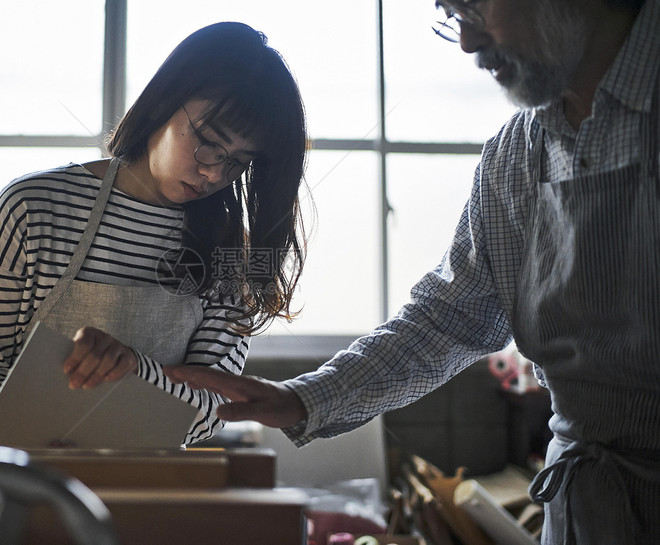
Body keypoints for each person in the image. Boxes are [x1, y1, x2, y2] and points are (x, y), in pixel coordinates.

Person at [165, 0, 660, 543]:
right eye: (452, 17)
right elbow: (448, 320)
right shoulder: (516, 156)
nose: (468, 44)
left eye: (471, 8)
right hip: (584, 508)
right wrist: (303, 399)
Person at [0, 21, 308, 447]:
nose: (214, 172)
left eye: (238, 162)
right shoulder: (34, 207)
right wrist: (6, 455)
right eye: (209, 142)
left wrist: (133, 369)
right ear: (164, 100)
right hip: (24, 480)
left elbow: (214, 407)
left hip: (150, 485)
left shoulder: (232, 253)